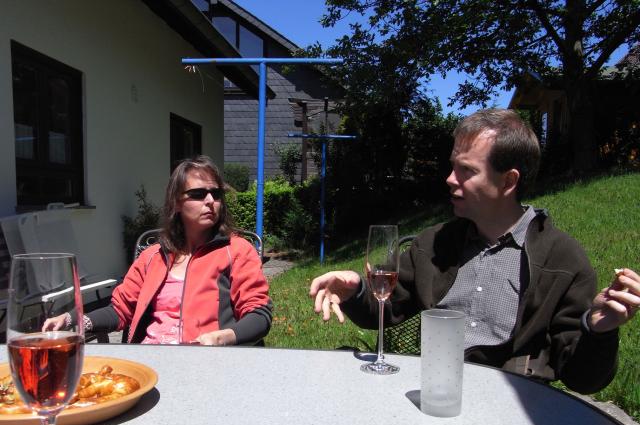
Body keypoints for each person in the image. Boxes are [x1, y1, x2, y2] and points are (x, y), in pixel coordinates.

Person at [309, 109, 639, 394]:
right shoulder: (434, 244)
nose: (450, 179)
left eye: (467, 170)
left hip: (515, 410)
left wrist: (598, 330)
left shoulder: (562, 261)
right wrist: (355, 289)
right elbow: (383, 310)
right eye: (453, 166)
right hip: (434, 393)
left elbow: (583, 380)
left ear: (508, 181)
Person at [45, 155, 272, 346]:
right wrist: (71, 319)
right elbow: (121, 309)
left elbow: (259, 315)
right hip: (150, 360)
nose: (211, 200)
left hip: (208, 363)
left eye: (216, 193)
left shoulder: (236, 251)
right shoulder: (153, 256)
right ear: (176, 203)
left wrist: (222, 338)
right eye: (198, 194)